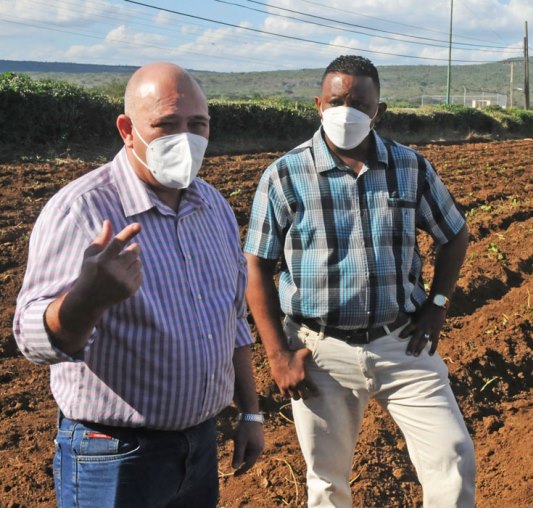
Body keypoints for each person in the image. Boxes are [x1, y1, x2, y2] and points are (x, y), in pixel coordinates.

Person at [13, 62, 264, 508]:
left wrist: (250, 411)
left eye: (197, 125)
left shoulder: (215, 207)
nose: (185, 138)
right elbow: (31, 338)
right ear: (128, 129)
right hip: (113, 456)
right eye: (166, 124)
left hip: (200, 445)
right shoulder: (83, 210)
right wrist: (86, 300)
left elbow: (233, 319)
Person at [244, 55, 475, 507]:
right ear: (318, 104)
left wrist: (438, 303)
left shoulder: (410, 167)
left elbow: (456, 233)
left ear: (378, 112)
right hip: (319, 350)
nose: (345, 111)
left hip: (402, 342)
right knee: (327, 481)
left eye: (358, 103)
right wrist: (277, 355)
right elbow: (257, 266)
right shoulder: (286, 174)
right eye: (336, 101)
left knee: (454, 457)